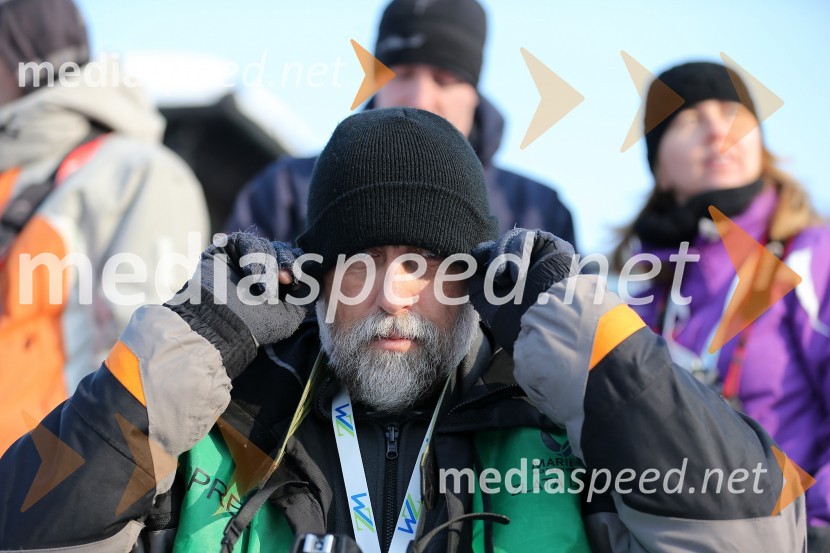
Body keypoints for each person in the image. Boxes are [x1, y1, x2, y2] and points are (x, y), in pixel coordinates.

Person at [0, 107, 804, 552]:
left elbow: (757, 535)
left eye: (428, 264)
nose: (393, 295)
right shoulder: (218, 421)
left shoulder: (561, 429)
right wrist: (185, 344)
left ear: (479, 281)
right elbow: (25, 530)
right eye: (360, 262)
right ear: (314, 276)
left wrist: (595, 343)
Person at [612, 61, 830, 549]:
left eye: (733, 114)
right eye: (689, 120)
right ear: (659, 166)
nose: (716, 132)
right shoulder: (637, 298)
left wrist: (817, 530)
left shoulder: (815, 259)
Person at [0, 0, 209, 453]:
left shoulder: (139, 174)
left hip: (44, 478)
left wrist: (84, 479)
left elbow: (151, 368)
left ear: (18, 58)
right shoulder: (14, 172)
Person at [225, 0, 577, 249]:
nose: (420, 97)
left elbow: (573, 321)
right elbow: (227, 296)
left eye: (444, 79)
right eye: (403, 74)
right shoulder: (283, 191)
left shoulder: (538, 211)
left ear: (474, 93)